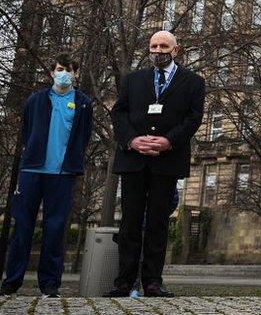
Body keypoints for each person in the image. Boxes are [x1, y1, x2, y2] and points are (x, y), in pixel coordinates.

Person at [105, 31, 205, 298]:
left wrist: (168, 141)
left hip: (166, 161)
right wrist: (132, 140)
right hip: (134, 160)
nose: (157, 50)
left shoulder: (193, 82)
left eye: (163, 46)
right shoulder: (133, 79)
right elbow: (119, 112)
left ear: (176, 49)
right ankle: (123, 281)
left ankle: (152, 282)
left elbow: (194, 118)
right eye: (153, 46)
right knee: (130, 222)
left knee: (158, 223)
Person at [1, 53, 93, 298]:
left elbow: (85, 135)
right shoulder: (35, 100)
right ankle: (12, 282)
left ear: (75, 74)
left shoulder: (83, 103)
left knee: (55, 229)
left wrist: (72, 160)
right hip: (32, 171)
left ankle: (50, 284)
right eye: (60, 69)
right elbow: (26, 130)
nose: (64, 73)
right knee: (22, 227)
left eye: (70, 70)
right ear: (52, 72)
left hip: (62, 174)